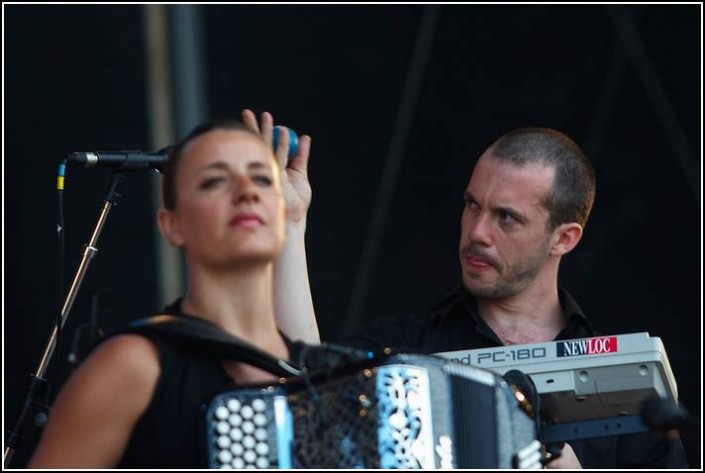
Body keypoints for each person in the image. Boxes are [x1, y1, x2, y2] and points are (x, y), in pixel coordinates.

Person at [280, 127, 689, 469]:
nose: (476, 232)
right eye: (472, 205)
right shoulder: (402, 350)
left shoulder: (629, 389)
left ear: (564, 238)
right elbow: (302, 397)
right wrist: (290, 225)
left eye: (506, 217)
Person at [27, 118, 315, 468]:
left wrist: (292, 223)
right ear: (171, 224)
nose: (247, 191)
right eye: (215, 181)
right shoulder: (133, 365)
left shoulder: (308, 369)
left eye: (262, 178)